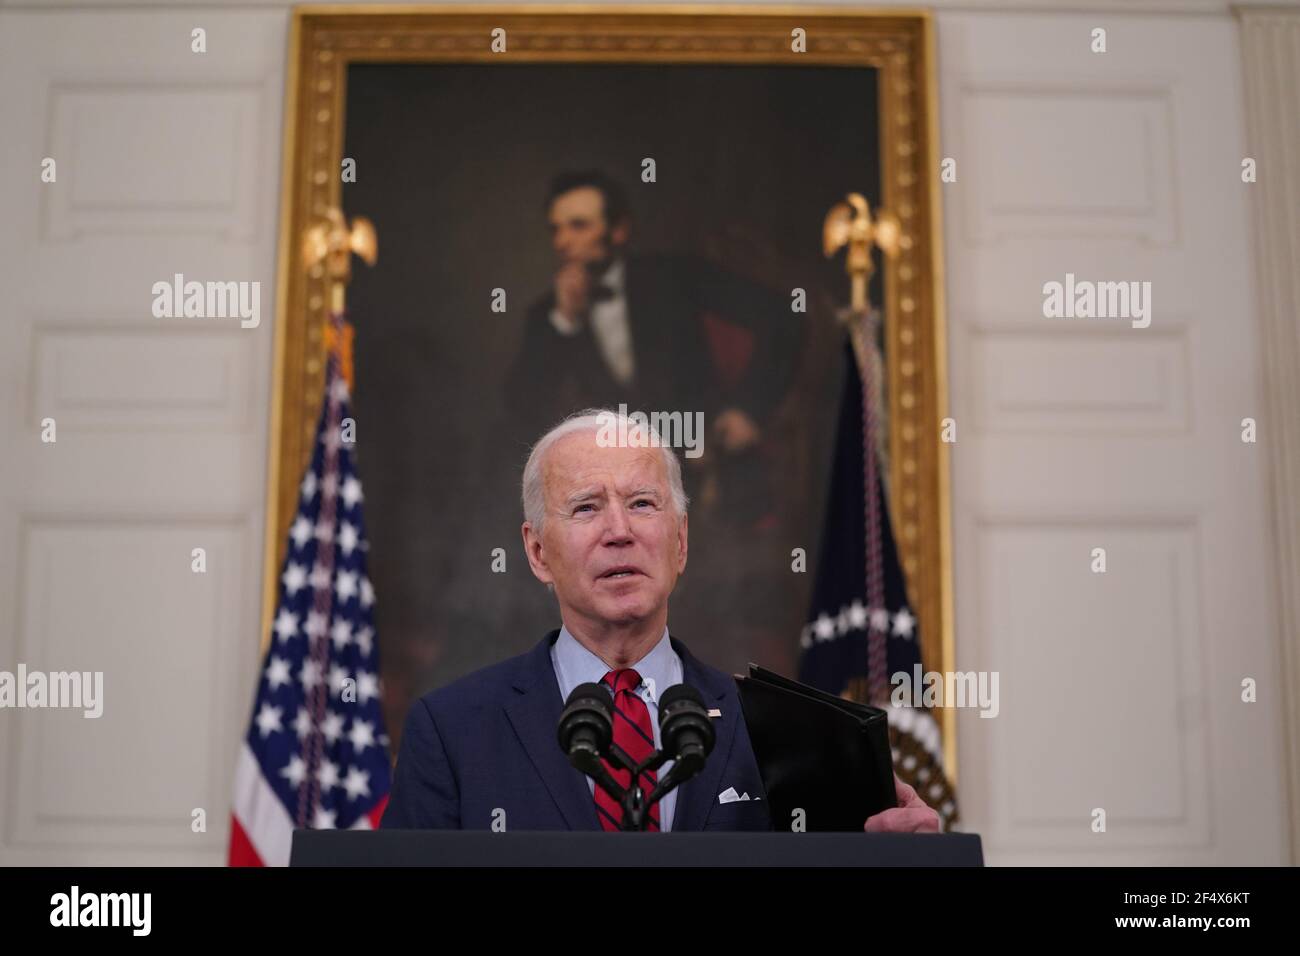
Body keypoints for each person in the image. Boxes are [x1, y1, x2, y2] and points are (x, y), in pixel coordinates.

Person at [381, 408, 939, 833]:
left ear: (681, 542)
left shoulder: (785, 732)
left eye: (643, 503)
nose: (619, 530)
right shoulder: (451, 731)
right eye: (586, 507)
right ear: (537, 552)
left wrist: (902, 864)